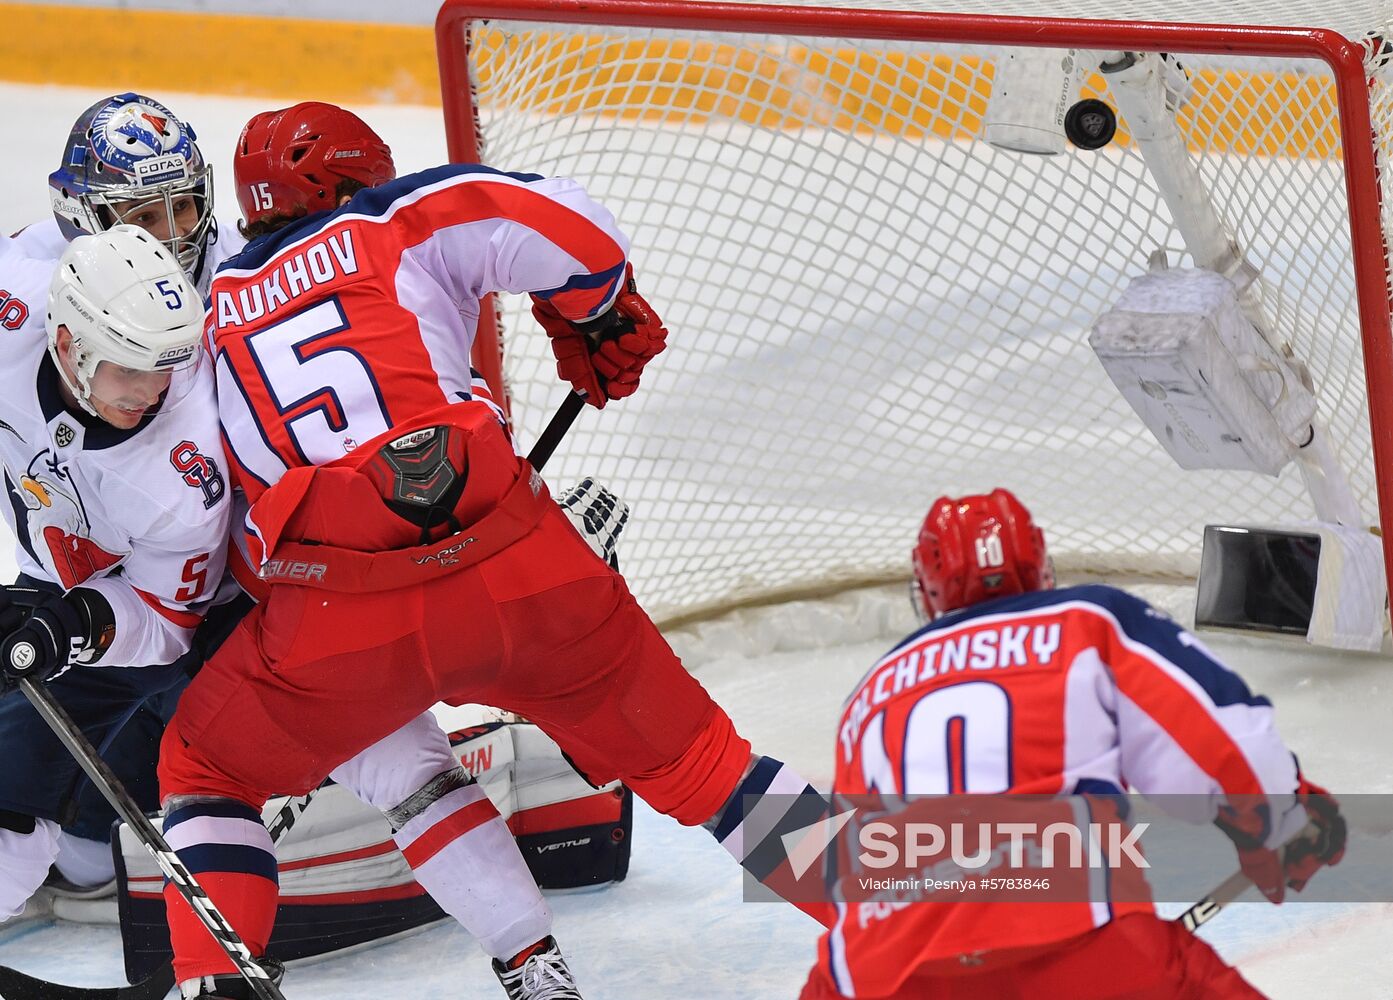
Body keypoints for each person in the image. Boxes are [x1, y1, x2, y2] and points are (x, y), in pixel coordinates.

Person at [153, 101, 824, 1000]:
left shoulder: (205, 321)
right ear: (359, 178)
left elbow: (218, 520)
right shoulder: (393, 220)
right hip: (523, 575)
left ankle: (215, 986)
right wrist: (594, 316)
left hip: (338, 617)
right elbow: (576, 229)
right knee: (707, 769)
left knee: (205, 772)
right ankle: (912, 921)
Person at [0, 96, 593, 994]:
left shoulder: (250, 291)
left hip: (246, 595)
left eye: (183, 210)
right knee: (51, 820)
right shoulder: (17, 297)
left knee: (397, 763)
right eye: (140, 217)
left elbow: (403, 405)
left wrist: (511, 501)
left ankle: (531, 961)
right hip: (84, 612)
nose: (168, 239)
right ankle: (91, 842)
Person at [799, 489, 1348, 1000]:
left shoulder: (868, 693)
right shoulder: (1086, 620)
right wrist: (1282, 821)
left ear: (926, 590)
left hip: (877, 974)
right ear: (1040, 564)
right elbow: (1229, 744)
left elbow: (848, 872)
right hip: (1076, 945)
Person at [0, 225, 230, 923]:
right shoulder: (16, 313)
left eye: (164, 367)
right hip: (58, 580)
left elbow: (166, 623)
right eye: (128, 368)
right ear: (67, 346)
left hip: (186, 608)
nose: (149, 391)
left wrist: (72, 628)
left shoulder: (184, 474)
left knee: (15, 784)